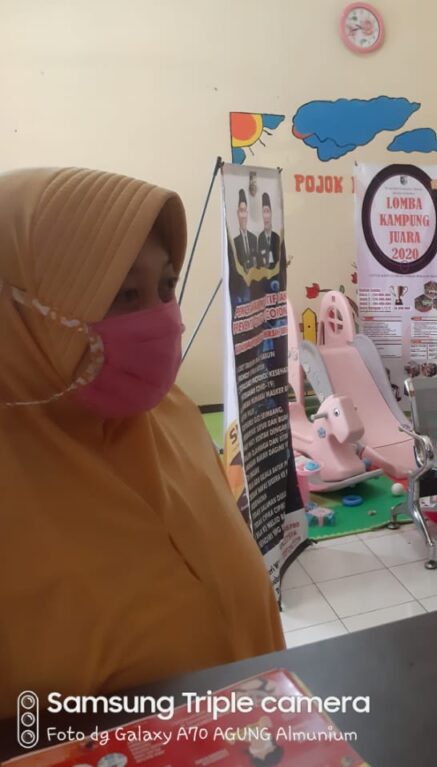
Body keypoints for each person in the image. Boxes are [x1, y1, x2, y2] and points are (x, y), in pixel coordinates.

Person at [0, 167, 284, 717]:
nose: (162, 320)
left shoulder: (172, 417)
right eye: (125, 293)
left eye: (167, 287)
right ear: (18, 313)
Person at [256, 192, 283, 269]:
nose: (266, 216)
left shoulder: (276, 237)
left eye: (267, 211)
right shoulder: (260, 238)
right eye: (263, 212)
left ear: (271, 213)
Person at [234, 188, 258, 271]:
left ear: (247, 213)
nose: (243, 216)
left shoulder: (254, 238)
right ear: (238, 213)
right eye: (241, 211)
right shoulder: (234, 242)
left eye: (245, 211)